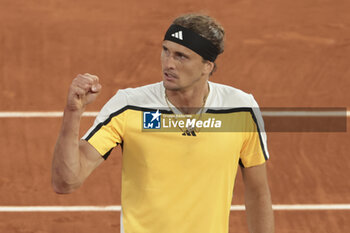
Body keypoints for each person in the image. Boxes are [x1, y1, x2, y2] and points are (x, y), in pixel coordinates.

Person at [52, 13, 274, 233]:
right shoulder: (128, 106)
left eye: (181, 56)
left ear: (207, 65)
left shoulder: (240, 110)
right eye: (165, 51)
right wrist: (73, 113)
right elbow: (66, 182)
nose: (168, 64)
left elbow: (258, 192)